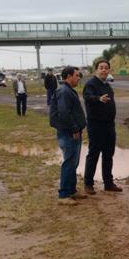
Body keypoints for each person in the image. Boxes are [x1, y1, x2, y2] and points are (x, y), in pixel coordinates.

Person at [83, 59, 122, 194]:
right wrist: (98, 99)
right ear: (96, 70)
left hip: (109, 126)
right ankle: (88, 184)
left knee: (108, 155)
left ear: (109, 70)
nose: (104, 70)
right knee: (93, 154)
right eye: (101, 68)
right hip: (96, 125)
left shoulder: (107, 85)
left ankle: (108, 183)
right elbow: (88, 97)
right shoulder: (91, 84)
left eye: (106, 68)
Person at [49, 66, 87, 205]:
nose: (78, 78)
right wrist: (74, 128)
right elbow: (64, 112)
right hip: (68, 132)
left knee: (73, 162)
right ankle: (64, 194)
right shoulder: (64, 91)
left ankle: (71, 190)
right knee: (69, 161)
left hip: (72, 131)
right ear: (69, 76)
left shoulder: (68, 90)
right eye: (77, 75)